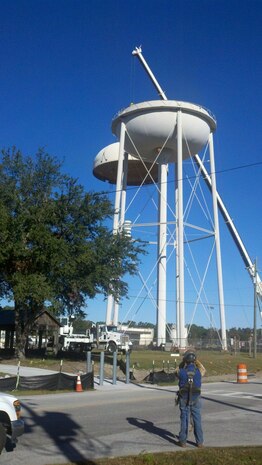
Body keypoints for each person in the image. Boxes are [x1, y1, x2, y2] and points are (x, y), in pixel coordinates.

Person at [175, 350, 205, 448]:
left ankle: (183, 441)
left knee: (184, 419)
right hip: (195, 398)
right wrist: (196, 361)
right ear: (194, 360)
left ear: (185, 360)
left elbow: (176, 371)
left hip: (183, 398)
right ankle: (199, 442)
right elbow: (203, 368)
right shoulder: (199, 372)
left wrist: (183, 362)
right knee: (197, 419)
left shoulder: (181, 372)